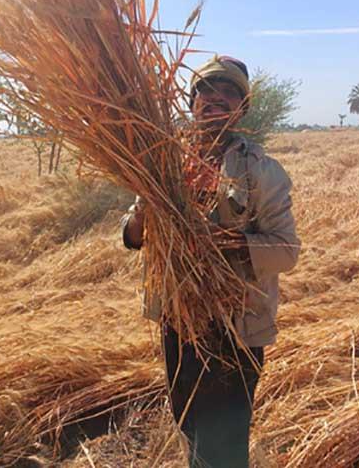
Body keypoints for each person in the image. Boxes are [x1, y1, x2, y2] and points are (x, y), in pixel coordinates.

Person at [121, 55, 300, 467]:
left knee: (223, 445)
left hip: (234, 327)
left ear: (243, 107)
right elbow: (133, 237)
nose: (216, 100)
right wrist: (145, 213)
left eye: (228, 93)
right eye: (206, 91)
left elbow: (286, 250)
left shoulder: (262, 171)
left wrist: (224, 243)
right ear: (191, 102)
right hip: (178, 320)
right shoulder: (164, 165)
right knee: (191, 427)